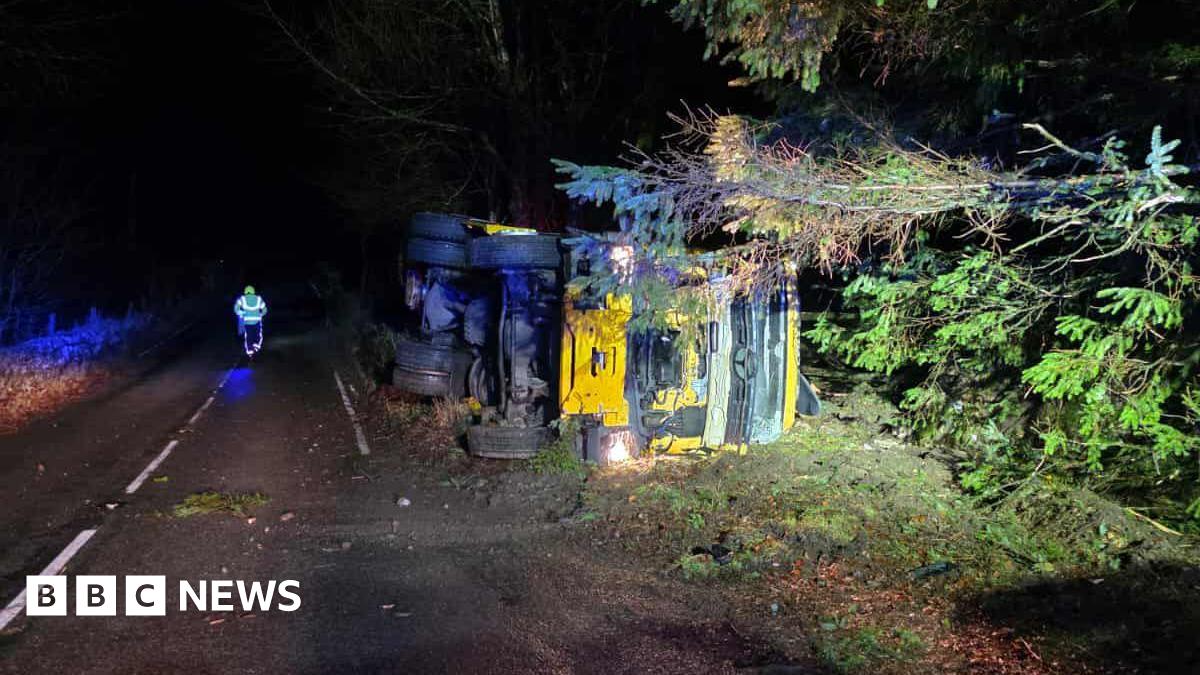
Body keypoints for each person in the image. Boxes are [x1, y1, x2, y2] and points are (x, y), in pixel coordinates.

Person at [234, 285, 268, 354]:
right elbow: (265, 310)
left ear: (245, 292)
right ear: (253, 292)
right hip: (257, 321)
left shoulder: (242, 299)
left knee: (249, 336)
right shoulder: (259, 299)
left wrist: (242, 313)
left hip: (247, 322)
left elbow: (236, 309)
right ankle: (257, 345)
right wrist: (260, 314)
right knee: (258, 335)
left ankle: (249, 351)